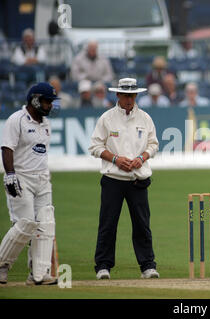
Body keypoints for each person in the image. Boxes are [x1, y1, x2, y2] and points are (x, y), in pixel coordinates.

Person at [88, 78, 160, 280]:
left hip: (138, 179)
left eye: (132, 95)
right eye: (126, 95)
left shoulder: (145, 118)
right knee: (108, 224)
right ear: (118, 95)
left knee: (142, 225)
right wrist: (116, 159)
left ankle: (148, 266)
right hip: (113, 179)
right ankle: (103, 266)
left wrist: (140, 158)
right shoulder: (107, 118)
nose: (129, 99)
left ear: (136, 95)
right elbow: (95, 147)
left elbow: (153, 145)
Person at [0, 82, 59, 285]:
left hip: (42, 180)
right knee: (25, 224)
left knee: (46, 223)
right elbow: (7, 148)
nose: (50, 105)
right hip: (21, 178)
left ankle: (38, 274)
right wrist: (10, 174)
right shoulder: (17, 120)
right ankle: (1, 265)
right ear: (35, 100)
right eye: (47, 101)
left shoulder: (45, 124)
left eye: (51, 102)